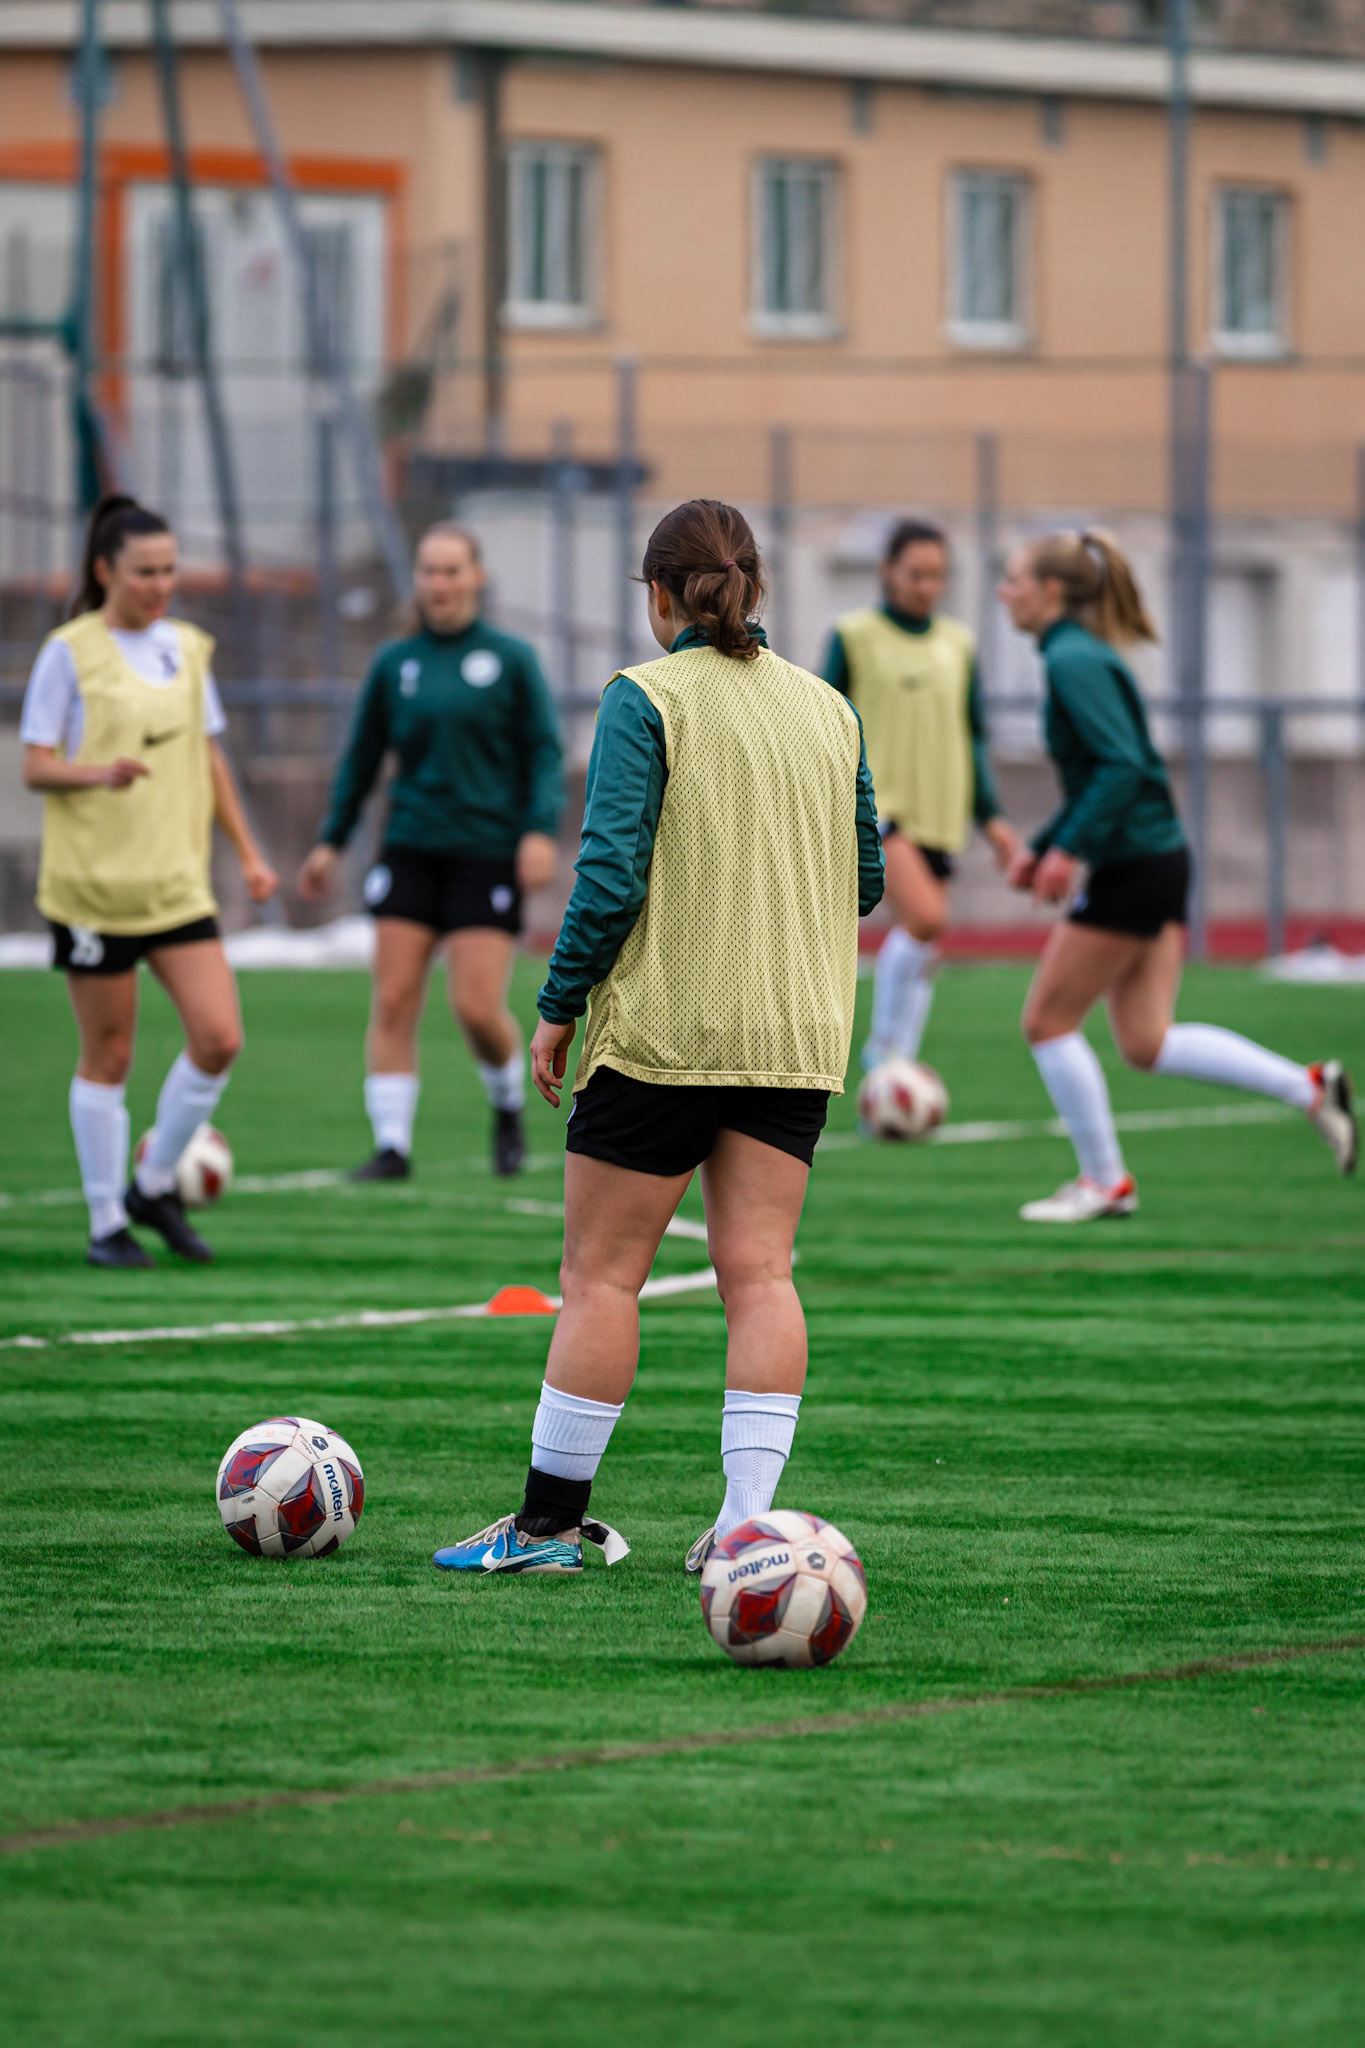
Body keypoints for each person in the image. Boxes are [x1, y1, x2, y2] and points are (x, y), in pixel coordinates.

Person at [431, 498, 884, 1578]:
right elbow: (865, 878)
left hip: (668, 1030)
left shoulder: (644, 698)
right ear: (756, 588)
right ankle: (745, 1526)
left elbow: (610, 873)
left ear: (658, 597)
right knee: (763, 1273)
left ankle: (546, 1529)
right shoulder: (829, 709)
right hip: (795, 1032)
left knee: (600, 1275)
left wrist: (555, 1004)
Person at [998, 528, 1356, 1222]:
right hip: (1154, 859)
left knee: (1046, 1021)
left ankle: (1104, 1182)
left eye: (1012, 580)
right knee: (1146, 1041)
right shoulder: (1075, 655)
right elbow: (1106, 770)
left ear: (1049, 591)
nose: (1002, 592)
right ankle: (1307, 1087)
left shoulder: (1072, 659)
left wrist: (1067, 851)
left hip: (1135, 866)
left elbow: (1122, 767)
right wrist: (1046, 844)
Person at [21, 493, 279, 1268]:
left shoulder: (187, 650)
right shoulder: (68, 652)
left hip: (175, 885)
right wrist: (98, 773)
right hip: (96, 890)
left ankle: (154, 1181)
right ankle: (106, 1223)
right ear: (105, 571)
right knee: (109, 1054)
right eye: (145, 572)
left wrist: (250, 853)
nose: (161, 584)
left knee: (219, 1036)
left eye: (169, 570)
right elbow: (34, 764)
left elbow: (209, 759)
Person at [298, 523, 563, 1180]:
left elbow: (544, 753)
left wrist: (537, 829)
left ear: (477, 577)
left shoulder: (510, 659)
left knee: (475, 1007)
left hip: (484, 852)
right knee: (391, 1000)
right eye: (428, 571)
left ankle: (505, 1106)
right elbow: (362, 759)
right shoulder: (396, 663)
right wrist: (330, 842)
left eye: (451, 571)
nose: (438, 584)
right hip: (410, 847)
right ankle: (391, 1146)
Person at [824, 518, 1019, 1071]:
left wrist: (994, 817)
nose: (926, 585)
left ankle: (899, 1068)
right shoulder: (853, 634)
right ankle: (884, 1053)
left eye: (937, 575)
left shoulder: (958, 644)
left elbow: (973, 734)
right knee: (926, 920)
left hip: (941, 814)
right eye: (915, 573)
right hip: (881, 809)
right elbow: (820, 720)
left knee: (928, 944)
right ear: (887, 571)